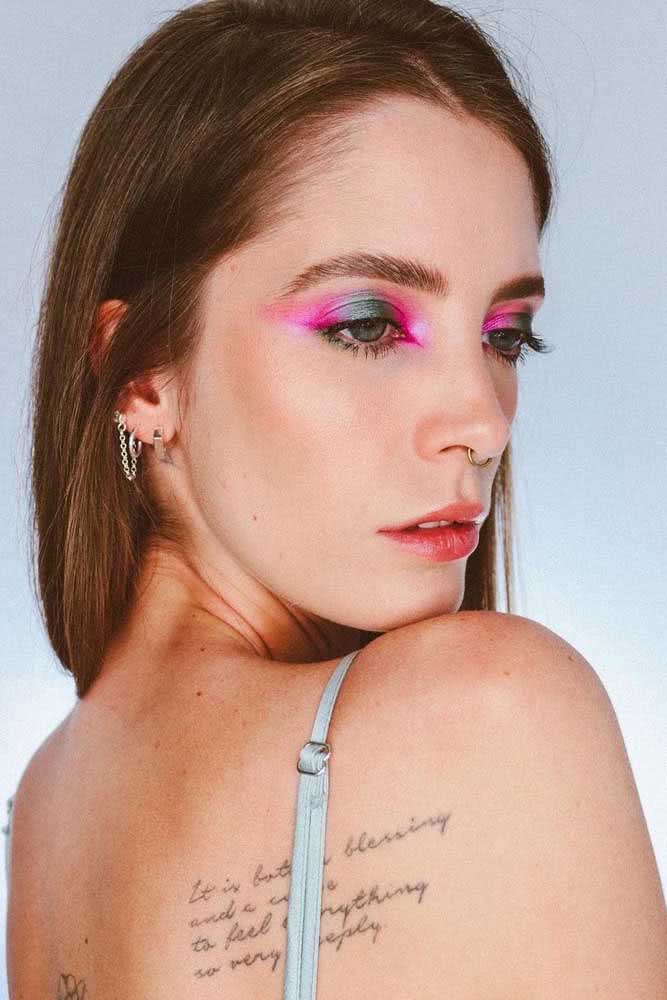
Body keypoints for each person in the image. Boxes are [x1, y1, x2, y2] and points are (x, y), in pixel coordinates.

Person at [4, 0, 666, 997]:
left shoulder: (46, 807)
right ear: (144, 375)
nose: (481, 423)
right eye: (365, 324)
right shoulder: (492, 713)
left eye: (503, 335)